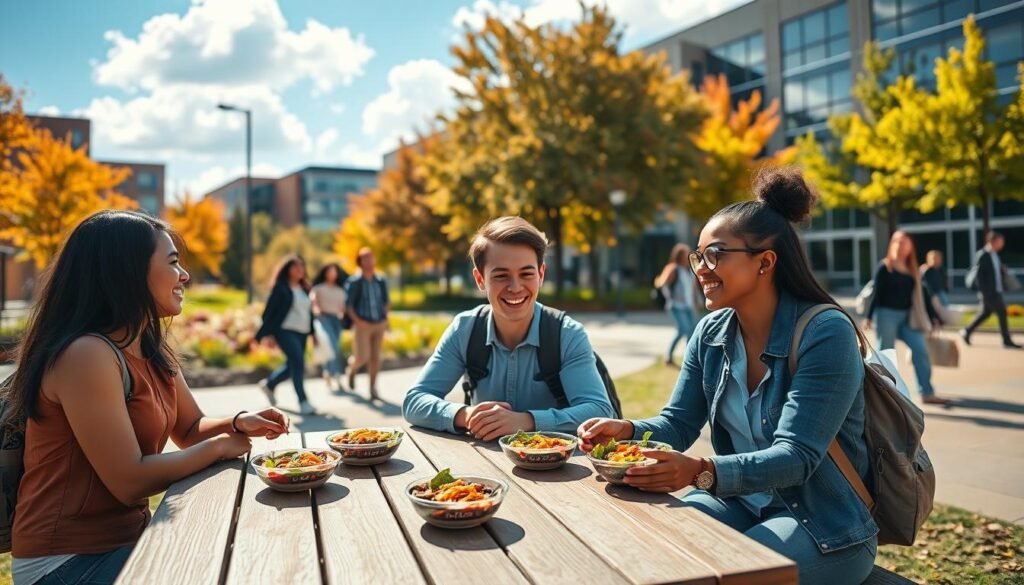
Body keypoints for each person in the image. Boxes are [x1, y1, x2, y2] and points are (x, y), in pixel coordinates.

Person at [577, 168, 877, 585]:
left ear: (765, 263)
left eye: (715, 254)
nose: (701, 267)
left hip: (824, 522)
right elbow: (678, 424)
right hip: (738, 501)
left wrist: (701, 471)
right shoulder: (710, 332)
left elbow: (797, 457)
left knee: (728, 573)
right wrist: (626, 429)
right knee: (646, 547)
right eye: (698, 255)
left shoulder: (826, 333)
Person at [9, 211, 288, 585]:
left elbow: (188, 428)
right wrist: (220, 448)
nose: (184, 275)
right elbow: (129, 480)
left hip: (123, 541)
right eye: (173, 263)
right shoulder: (85, 355)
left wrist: (238, 422)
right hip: (64, 562)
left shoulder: (148, 346)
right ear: (127, 272)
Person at [403, 216, 615, 439]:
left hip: (554, 468)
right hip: (482, 467)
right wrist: (467, 415)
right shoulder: (464, 330)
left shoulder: (568, 334)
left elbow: (599, 410)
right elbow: (414, 401)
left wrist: (526, 421)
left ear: (541, 274)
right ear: (480, 279)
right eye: (501, 275)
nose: (515, 287)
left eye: (526, 274)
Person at [864, 231, 947, 405]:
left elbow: (922, 295)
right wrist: (869, 317)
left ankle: (927, 393)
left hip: (908, 317)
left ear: (911, 246)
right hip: (886, 315)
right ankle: (882, 395)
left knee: (921, 349)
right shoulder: (885, 266)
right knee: (885, 354)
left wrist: (934, 317)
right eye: (897, 241)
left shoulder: (913, 269)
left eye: (904, 242)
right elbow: (876, 294)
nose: (900, 245)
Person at [256, 256, 316, 415]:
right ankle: (303, 401)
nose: (299, 270)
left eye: (301, 267)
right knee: (298, 362)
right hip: (285, 331)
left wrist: (313, 333)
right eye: (295, 267)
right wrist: (267, 333)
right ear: (287, 270)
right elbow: (268, 313)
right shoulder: (281, 288)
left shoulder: (305, 288)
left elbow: (308, 313)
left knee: (293, 365)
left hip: (302, 332)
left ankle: (269, 384)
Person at [962, 231, 1021, 349]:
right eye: (1000, 241)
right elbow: (979, 275)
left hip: (996, 290)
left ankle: (967, 331)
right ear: (992, 241)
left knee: (985, 313)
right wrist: (983, 292)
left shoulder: (995, 255)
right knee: (1002, 312)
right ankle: (1006, 340)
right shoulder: (983, 254)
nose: (1002, 244)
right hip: (989, 292)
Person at [345, 248, 389, 400]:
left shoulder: (380, 280)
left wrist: (385, 318)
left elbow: (385, 301)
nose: (369, 261)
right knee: (362, 356)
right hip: (362, 324)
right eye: (365, 258)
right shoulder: (354, 281)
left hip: (379, 323)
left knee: (376, 358)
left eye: (371, 257)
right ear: (360, 261)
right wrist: (358, 321)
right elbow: (349, 305)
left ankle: (372, 389)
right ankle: (351, 370)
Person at [655, 243, 701, 366]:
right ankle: (669, 356)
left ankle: (689, 359)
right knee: (684, 330)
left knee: (692, 332)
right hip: (676, 306)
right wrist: (672, 297)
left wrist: (697, 301)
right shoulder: (673, 268)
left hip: (689, 306)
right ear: (680, 256)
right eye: (685, 254)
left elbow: (693, 289)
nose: (688, 256)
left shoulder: (690, 270)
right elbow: (663, 285)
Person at [310, 263, 348, 391]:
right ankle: (336, 374)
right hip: (323, 318)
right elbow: (314, 302)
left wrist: (342, 314)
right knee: (332, 346)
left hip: (336, 320)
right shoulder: (318, 288)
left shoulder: (340, 290)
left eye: (334, 271)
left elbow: (343, 306)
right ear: (325, 273)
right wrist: (317, 311)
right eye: (330, 271)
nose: (333, 274)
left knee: (334, 347)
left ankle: (327, 372)